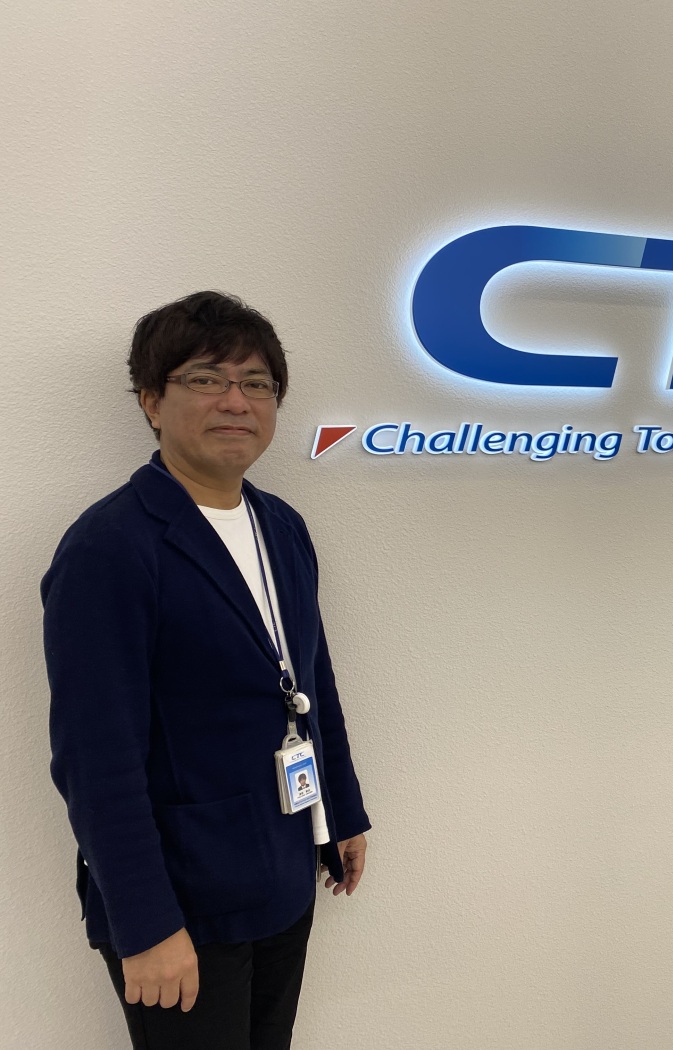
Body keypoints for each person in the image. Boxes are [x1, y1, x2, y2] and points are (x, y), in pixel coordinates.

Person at [43, 291, 371, 1050]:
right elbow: (95, 759)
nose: (235, 400)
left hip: (282, 872)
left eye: (256, 383)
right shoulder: (110, 548)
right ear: (151, 402)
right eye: (204, 378)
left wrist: (341, 812)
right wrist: (145, 924)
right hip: (183, 901)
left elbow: (311, 683)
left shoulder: (281, 525)